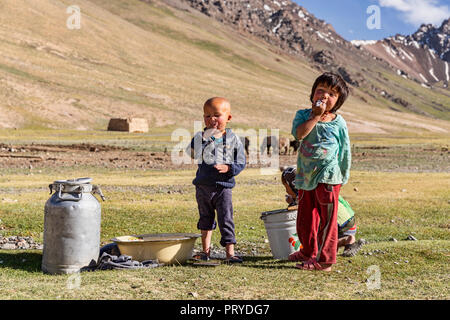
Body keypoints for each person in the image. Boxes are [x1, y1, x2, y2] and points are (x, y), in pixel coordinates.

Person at [289, 72, 352, 271]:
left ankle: (325, 260)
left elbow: (345, 151)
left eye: (332, 94)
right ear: (312, 93)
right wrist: (315, 116)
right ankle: (308, 251)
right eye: (321, 90)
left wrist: (343, 175)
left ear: (338, 101)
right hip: (306, 176)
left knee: (327, 221)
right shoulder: (302, 115)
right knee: (305, 218)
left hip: (329, 176)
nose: (325, 96)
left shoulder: (338, 122)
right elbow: (299, 135)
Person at [187, 97, 246, 263]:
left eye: (216, 115)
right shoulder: (201, 136)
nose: (211, 119)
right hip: (203, 187)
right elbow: (192, 153)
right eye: (207, 116)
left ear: (228, 118)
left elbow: (241, 162)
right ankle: (205, 252)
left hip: (223, 188)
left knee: (226, 219)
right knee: (205, 218)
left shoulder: (233, 140)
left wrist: (229, 168)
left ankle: (230, 253)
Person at [281, 166, 364, 257]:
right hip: (349, 222)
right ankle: (347, 244)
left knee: (315, 245)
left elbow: (302, 208)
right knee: (321, 240)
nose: (286, 190)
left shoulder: (306, 196)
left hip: (339, 225)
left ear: (293, 185)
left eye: (286, 187)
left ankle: (345, 240)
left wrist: (293, 203)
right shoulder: (314, 187)